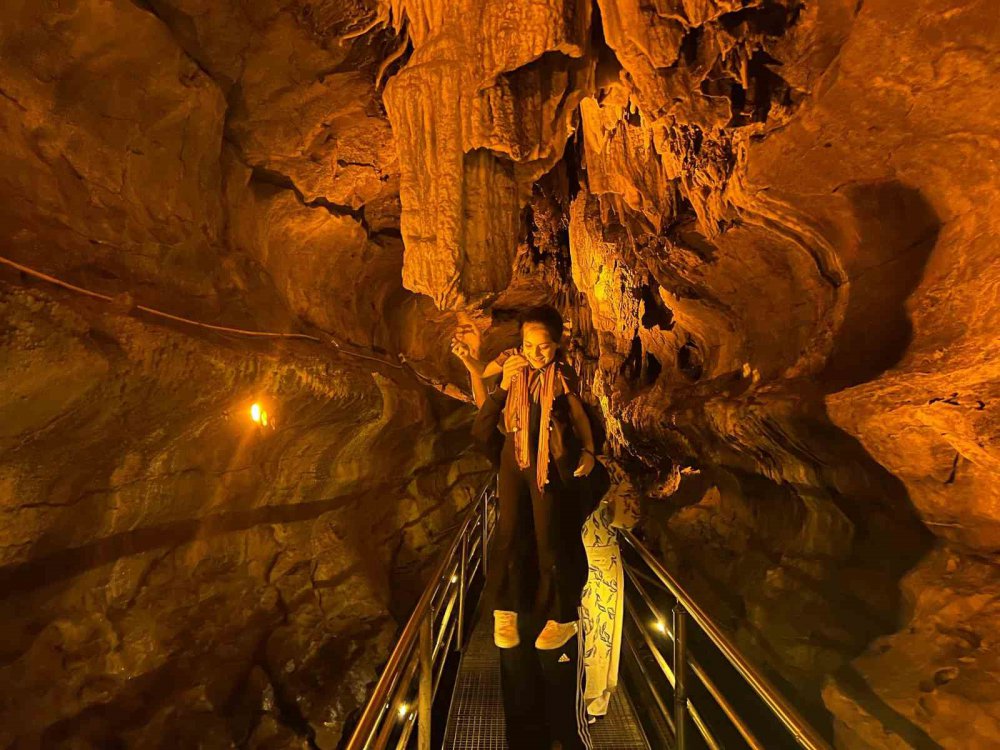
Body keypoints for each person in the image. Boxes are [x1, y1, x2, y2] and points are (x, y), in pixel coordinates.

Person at [454, 306, 598, 749]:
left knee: (548, 534)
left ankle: (560, 615)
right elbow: (485, 398)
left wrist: (588, 451)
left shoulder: (562, 376)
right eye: (530, 345)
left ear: (557, 344)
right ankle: (505, 607)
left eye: (545, 346)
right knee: (509, 532)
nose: (536, 353)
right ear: (520, 342)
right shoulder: (512, 365)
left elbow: (579, 415)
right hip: (515, 457)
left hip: (545, 465)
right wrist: (475, 367)